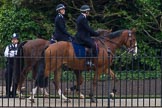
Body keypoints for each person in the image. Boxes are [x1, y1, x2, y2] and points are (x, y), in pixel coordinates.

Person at [4, 33, 19, 98]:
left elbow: (19, 55)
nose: (13, 40)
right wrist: (14, 54)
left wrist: (12, 53)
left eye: (15, 39)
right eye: (13, 39)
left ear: (17, 40)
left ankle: (14, 93)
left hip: (17, 65)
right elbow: (6, 54)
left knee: (15, 78)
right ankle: (7, 93)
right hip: (9, 64)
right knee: (8, 78)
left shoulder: (19, 47)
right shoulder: (8, 46)